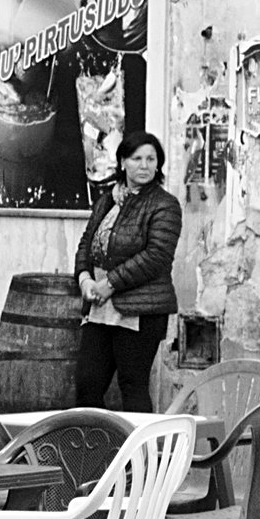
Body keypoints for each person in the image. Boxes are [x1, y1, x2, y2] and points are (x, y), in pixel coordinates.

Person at [72, 130, 182, 410]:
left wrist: (108, 284)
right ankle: (96, 453)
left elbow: (155, 256)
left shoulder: (164, 204)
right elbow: (87, 243)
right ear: (122, 163)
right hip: (98, 306)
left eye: (150, 159)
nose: (144, 165)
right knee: (87, 383)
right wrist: (85, 280)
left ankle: (141, 454)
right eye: (136, 158)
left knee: (132, 385)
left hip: (139, 308)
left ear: (158, 165)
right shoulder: (108, 200)